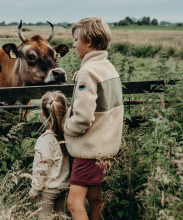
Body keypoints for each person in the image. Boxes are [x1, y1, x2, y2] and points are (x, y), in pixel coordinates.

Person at [64, 17, 124, 220]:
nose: (73, 45)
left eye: (75, 40)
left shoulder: (88, 72)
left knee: (74, 203)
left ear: (88, 41)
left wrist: (67, 127)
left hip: (87, 151)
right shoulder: (108, 67)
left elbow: (82, 119)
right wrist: (82, 76)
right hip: (104, 148)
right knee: (95, 199)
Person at [29, 91, 71, 220]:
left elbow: (42, 169)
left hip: (48, 190)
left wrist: (35, 189)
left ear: (42, 113)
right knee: (61, 217)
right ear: (66, 111)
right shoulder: (68, 137)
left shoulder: (45, 140)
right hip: (63, 187)